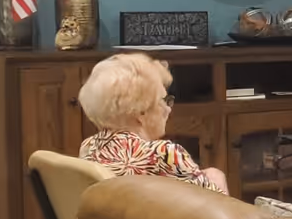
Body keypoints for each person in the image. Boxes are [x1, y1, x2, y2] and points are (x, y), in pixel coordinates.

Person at [77, 53, 230, 194]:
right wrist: (217, 179)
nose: (168, 110)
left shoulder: (89, 147)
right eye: (164, 101)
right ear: (140, 112)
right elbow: (220, 212)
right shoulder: (163, 153)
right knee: (215, 175)